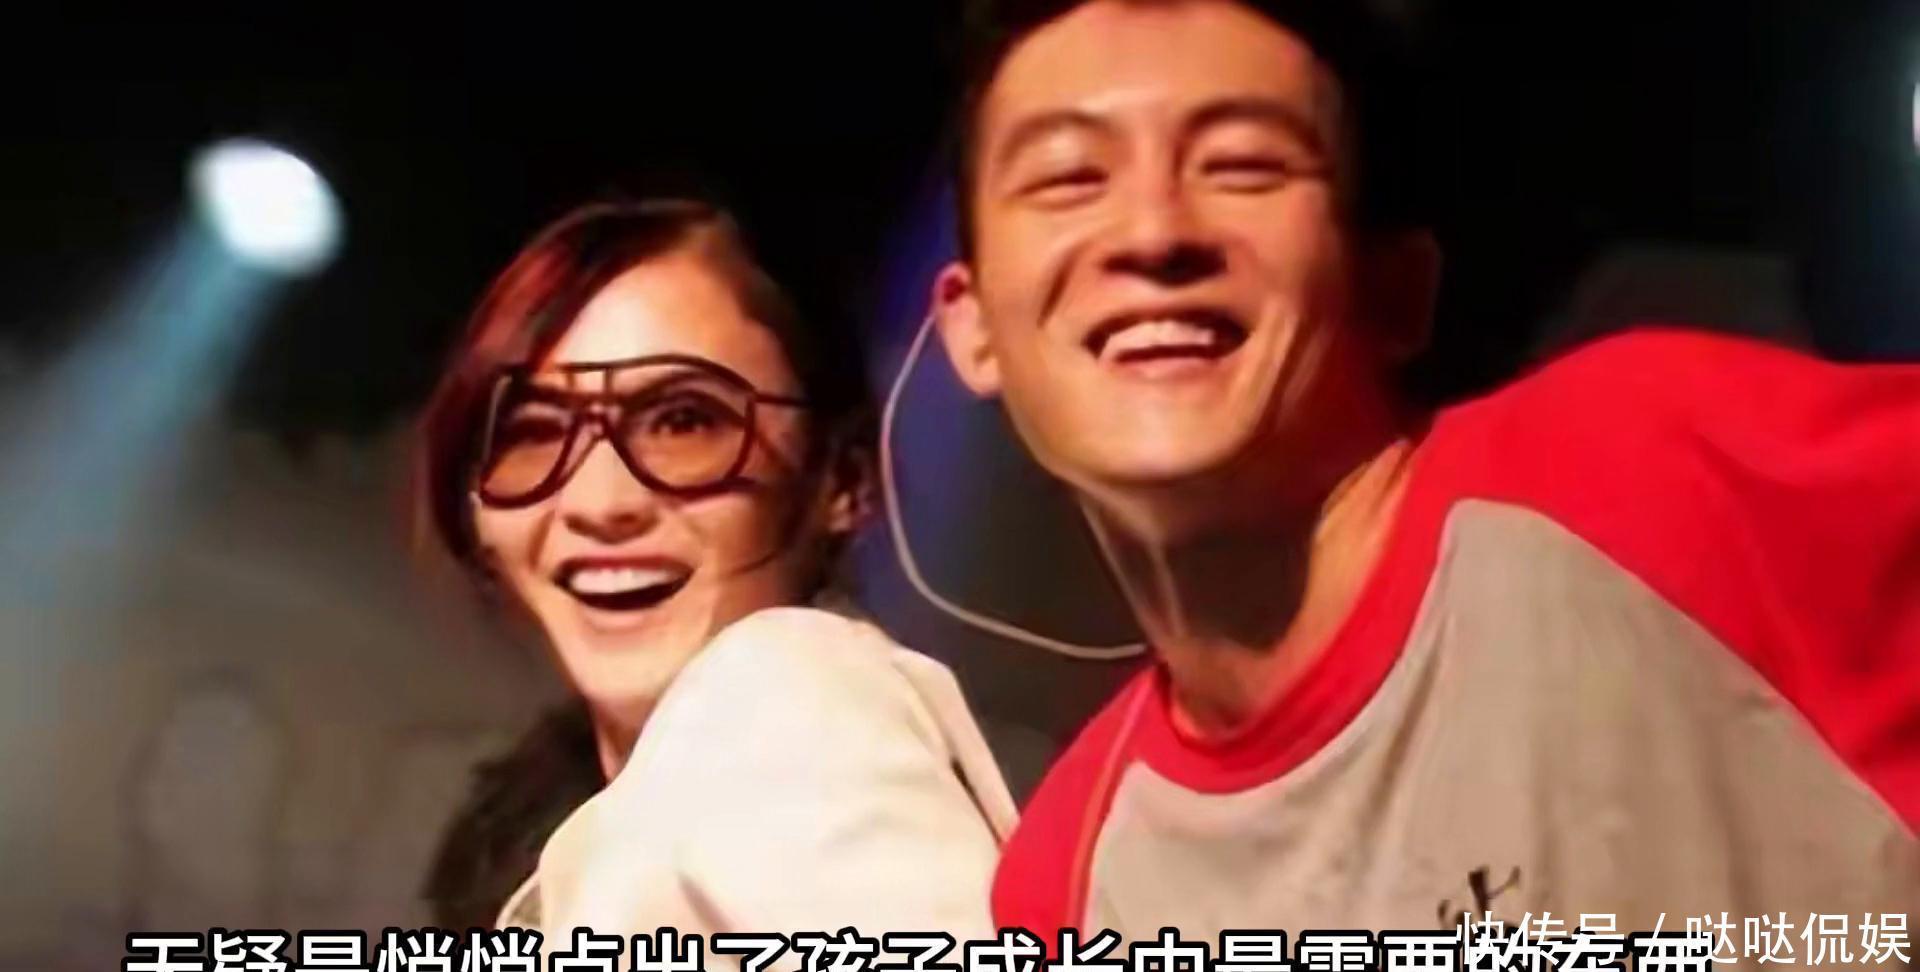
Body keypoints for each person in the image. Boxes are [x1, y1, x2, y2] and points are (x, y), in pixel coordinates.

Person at [931, 0, 1920, 945]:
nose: (1153, 233)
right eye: (1068, 178)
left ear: (1396, 290)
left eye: (1244, 166)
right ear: (972, 327)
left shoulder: (1660, 476)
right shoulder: (1067, 885)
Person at [416, 199, 1015, 942]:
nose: (602, 503)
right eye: (534, 432)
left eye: (684, 422)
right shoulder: (585, 818)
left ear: (842, 480)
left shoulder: (791, 700)